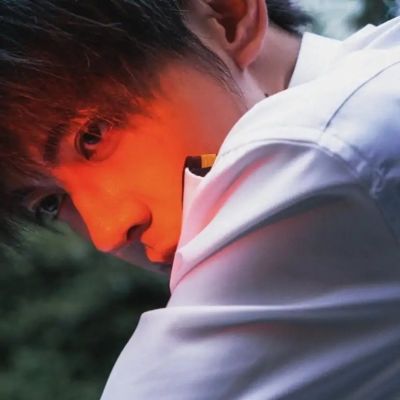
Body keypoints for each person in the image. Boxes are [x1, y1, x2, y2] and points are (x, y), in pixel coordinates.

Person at [1, 1, 400, 399]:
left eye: (93, 136)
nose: (108, 233)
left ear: (227, 16)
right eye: (50, 203)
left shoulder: (319, 156)